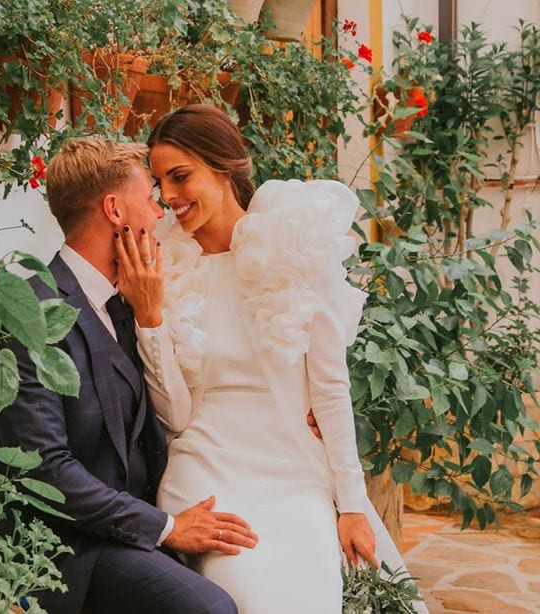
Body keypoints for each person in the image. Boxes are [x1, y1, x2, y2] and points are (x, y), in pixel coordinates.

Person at [116, 104, 420, 613]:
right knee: (251, 595)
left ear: (224, 164)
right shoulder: (160, 264)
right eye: (159, 182)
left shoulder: (295, 245)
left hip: (292, 468)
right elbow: (174, 414)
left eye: (180, 176)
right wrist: (149, 319)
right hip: (205, 465)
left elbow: (329, 386)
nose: (168, 197)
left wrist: (350, 504)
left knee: (311, 598)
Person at [0, 138, 252, 614]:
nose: (159, 213)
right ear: (114, 209)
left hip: (141, 524)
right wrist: (167, 527)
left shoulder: (131, 297)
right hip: (71, 547)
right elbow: (45, 469)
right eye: (149, 198)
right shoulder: (26, 312)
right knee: (210, 608)